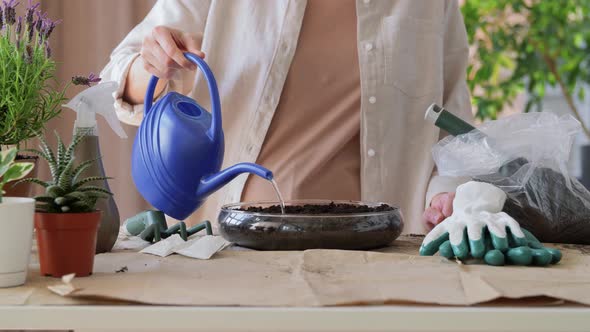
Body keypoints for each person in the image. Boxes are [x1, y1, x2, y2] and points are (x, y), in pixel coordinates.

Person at [101, 0, 473, 234]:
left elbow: (455, 125)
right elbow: (115, 75)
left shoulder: (431, 6)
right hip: (231, 245)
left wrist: (446, 193)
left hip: (371, 249)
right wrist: (154, 65)